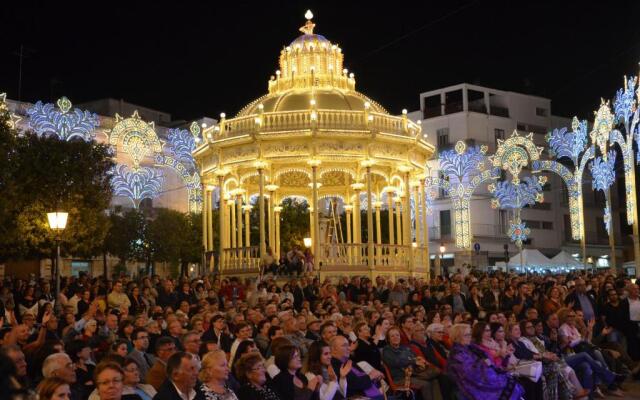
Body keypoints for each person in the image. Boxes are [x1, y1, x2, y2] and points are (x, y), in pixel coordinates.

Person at [446, 323, 524, 400]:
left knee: (513, 382)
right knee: (510, 386)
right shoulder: (457, 353)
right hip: (473, 384)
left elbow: (490, 362)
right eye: (466, 335)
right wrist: (486, 363)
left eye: (470, 334)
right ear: (457, 337)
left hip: (487, 375)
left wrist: (503, 357)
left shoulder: (471, 347)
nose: (469, 337)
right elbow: (470, 373)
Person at [382, 326, 440, 400]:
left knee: (435, 381)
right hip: (401, 379)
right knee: (426, 385)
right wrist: (413, 361)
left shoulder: (405, 348)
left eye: (397, 335)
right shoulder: (387, 350)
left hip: (414, 373)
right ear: (388, 339)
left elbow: (415, 357)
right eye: (392, 336)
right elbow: (397, 362)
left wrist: (419, 360)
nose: (395, 337)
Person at [329, 335, 384, 400]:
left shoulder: (348, 361)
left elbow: (363, 375)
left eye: (348, 345)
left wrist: (375, 377)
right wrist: (371, 376)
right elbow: (354, 385)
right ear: (334, 350)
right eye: (344, 345)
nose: (348, 348)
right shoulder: (334, 365)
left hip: (374, 393)